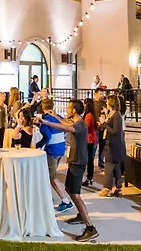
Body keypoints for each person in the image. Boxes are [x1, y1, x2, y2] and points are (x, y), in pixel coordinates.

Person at [36, 100, 99, 242]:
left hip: (78, 162)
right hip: (75, 160)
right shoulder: (77, 122)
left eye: (69, 108)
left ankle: (90, 228)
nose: (67, 110)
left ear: (74, 111)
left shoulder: (79, 125)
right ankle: (81, 215)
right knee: (70, 190)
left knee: (75, 194)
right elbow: (65, 123)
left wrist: (46, 122)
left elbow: (63, 126)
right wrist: (55, 115)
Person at [36, 98, 72, 212]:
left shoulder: (45, 120)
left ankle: (65, 200)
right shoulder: (58, 118)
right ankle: (51, 198)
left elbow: (47, 136)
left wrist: (38, 145)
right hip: (61, 148)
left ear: (42, 108)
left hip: (52, 150)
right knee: (51, 175)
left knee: (51, 176)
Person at [98, 95, 126, 198]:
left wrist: (104, 124)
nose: (106, 103)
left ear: (111, 103)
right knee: (116, 167)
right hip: (113, 145)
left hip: (113, 145)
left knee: (109, 167)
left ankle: (107, 188)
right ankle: (118, 189)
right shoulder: (112, 113)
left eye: (107, 102)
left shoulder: (117, 115)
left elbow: (115, 131)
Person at [82, 99, 98, 186]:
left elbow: (85, 127)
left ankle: (89, 178)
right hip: (92, 138)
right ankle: (90, 178)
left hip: (89, 139)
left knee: (89, 160)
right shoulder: (92, 114)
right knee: (90, 160)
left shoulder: (88, 115)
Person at [93, 88, 106, 171]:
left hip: (103, 127)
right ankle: (90, 164)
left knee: (102, 146)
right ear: (95, 94)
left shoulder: (104, 103)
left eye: (102, 94)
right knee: (94, 146)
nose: (102, 95)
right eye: (100, 94)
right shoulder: (92, 103)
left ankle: (101, 164)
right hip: (95, 128)